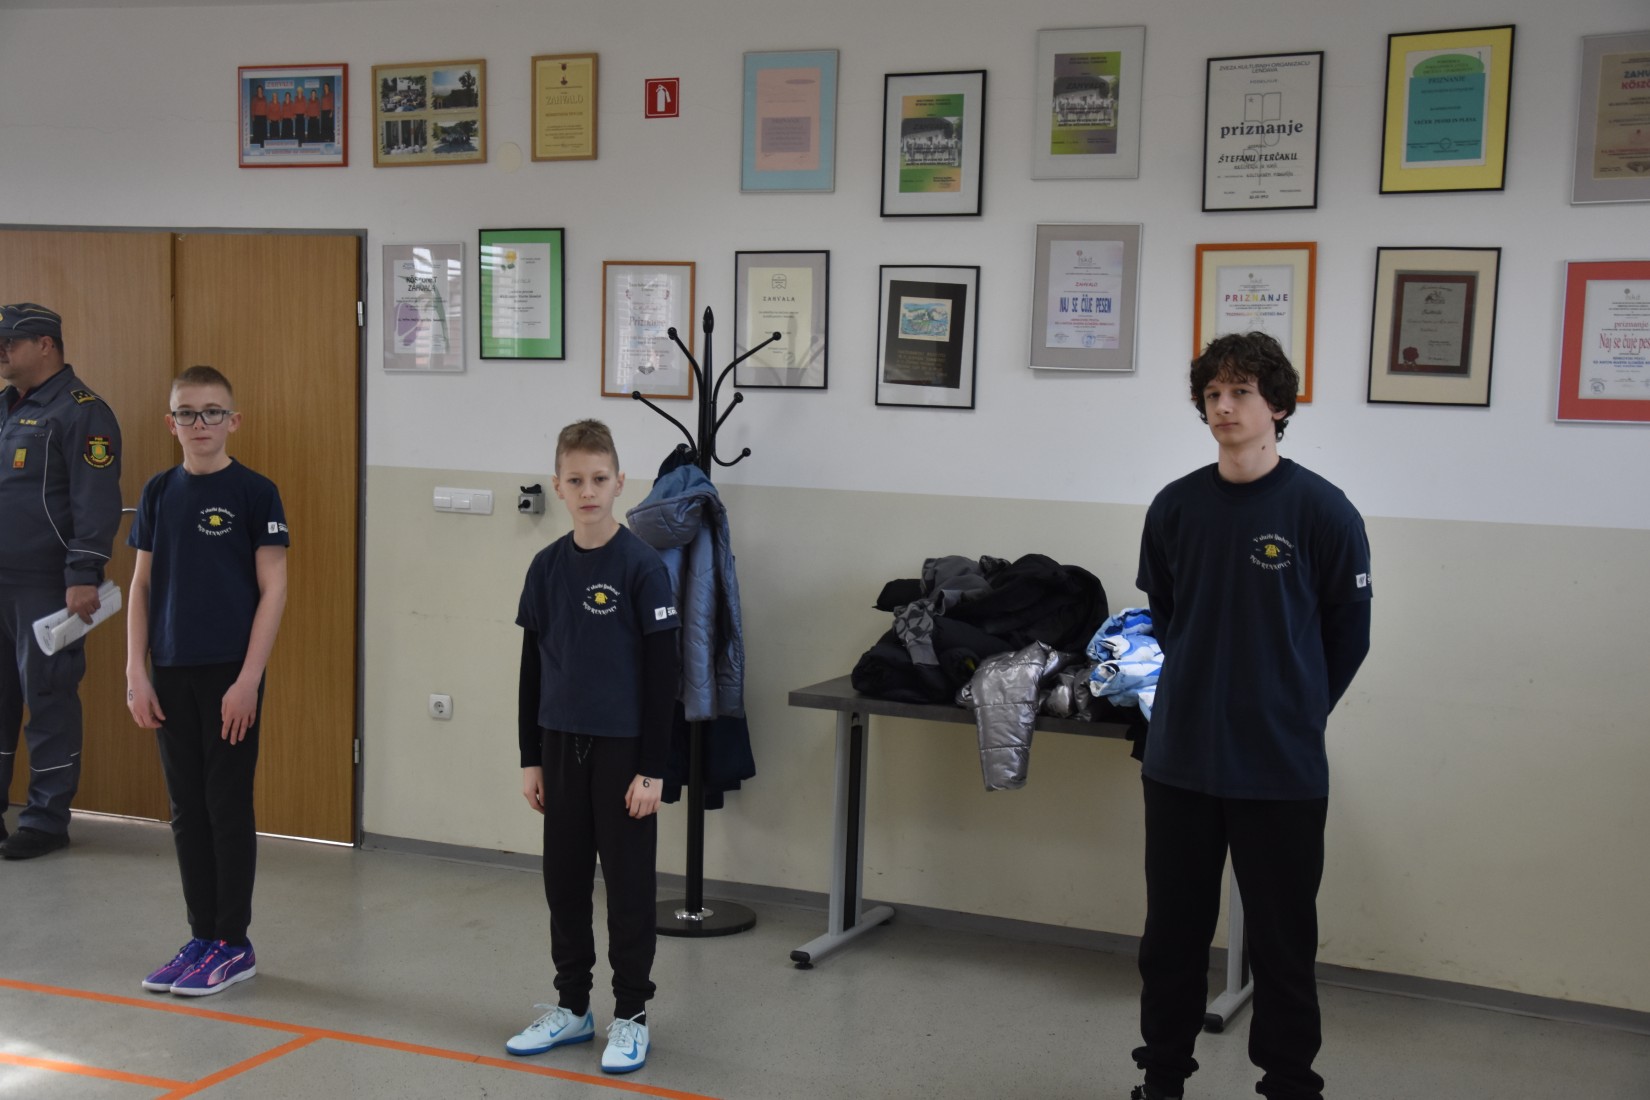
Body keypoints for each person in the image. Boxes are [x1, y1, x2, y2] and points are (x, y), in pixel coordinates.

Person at [1129, 332, 1372, 1100]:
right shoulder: (1175, 507)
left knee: (1282, 940)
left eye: (1240, 392)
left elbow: (1349, 636)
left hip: (1280, 766)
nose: (1224, 407)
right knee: (1171, 936)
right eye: (1212, 394)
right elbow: (1167, 616)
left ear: (1278, 406)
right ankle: (1162, 1076)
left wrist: (1294, 710)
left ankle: (1290, 1083)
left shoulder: (1323, 510)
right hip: (1181, 761)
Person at [507, 419, 679, 1075]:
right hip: (559, 748)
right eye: (575, 480)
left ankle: (630, 1014)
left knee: (629, 890)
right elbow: (531, 669)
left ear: (619, 483)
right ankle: (572, 1007)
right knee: (565, 883)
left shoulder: (642, 567)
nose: (587, 491)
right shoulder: (545, 567)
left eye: (599, 479)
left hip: (624, 754)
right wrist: (530, 756)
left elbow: (664, 678)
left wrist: (653, 770)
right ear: (557, 485)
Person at [125, 365, 288, 997]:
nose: (200, 424)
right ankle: (200, 936)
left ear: (233, 421)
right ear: (171, 423)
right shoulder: (158, 491)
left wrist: (248, 679)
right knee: (186, 810)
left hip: (229, 676)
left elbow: (273, 589)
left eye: (212, 412)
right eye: (187, 413)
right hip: (168, 671)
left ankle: (233, 943)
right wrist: (136, 671)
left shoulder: (255, 492)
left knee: (226, 805)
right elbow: (141, 586)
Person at [0, 303, 123, 860]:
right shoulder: (5, 407)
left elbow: (95, 502)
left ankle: (46, 820)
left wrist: (84, 573)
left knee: (47, 697)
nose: (2, 352)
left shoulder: (82, 413)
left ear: (45, 344)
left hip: (46, 585)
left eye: (10, 342)